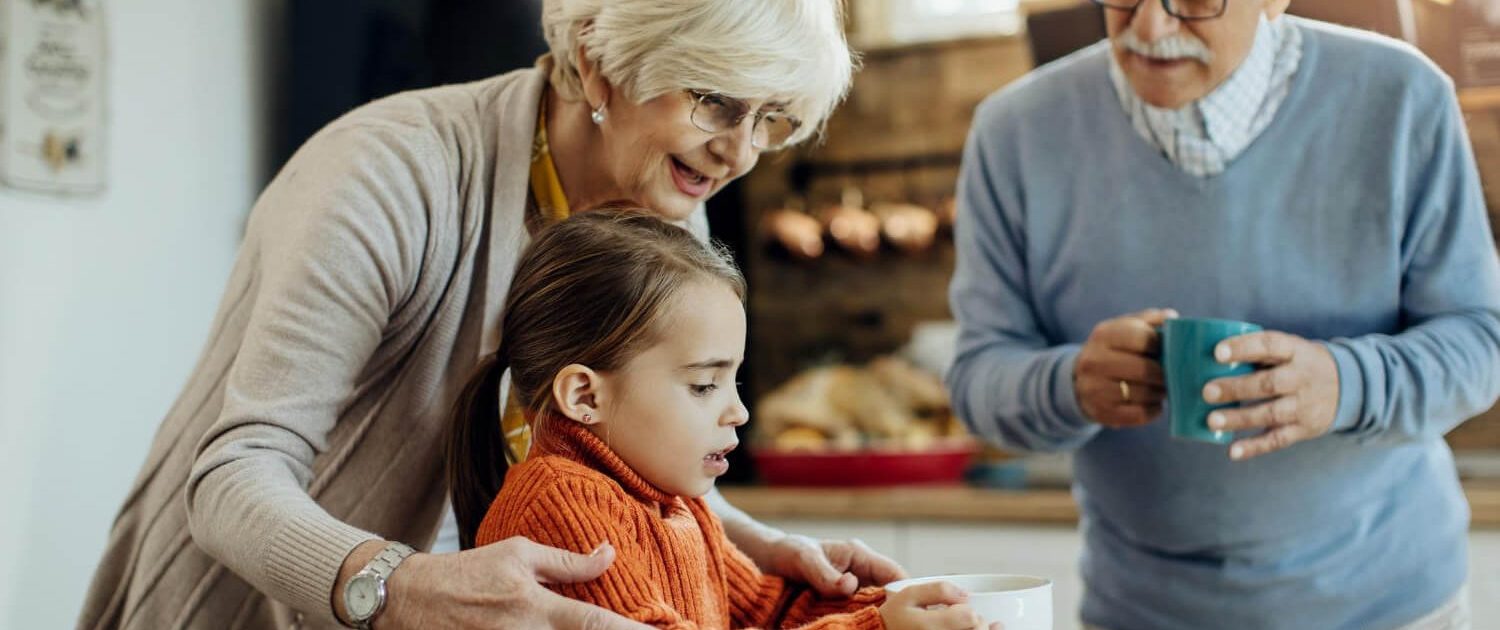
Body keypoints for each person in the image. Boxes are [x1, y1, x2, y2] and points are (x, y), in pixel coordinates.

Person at [78, 1, 898, 628]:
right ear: (598, 61)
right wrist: (403, 585)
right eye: (717, 102)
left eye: (772, 119)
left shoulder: (670, 200)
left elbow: (636, 457)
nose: (741, 153)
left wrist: (769, 551)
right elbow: (232, 476)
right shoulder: (387, 173)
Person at [947, 0, 1500, 628]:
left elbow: (1481, 341)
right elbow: (975, 377)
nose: (1151, 28)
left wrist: (1346, 385)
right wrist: (1068, 385)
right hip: (1142, 612)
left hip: (1388, 606)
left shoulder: (1403, 96)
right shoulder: (1013, 132)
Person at [448, 209, 990, 630]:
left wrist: (887, 602)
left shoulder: (672, 502)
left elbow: (763, 610)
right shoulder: (562, 508)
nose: (739, 410)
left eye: (733, 380)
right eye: (704, 385)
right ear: (585, 395)